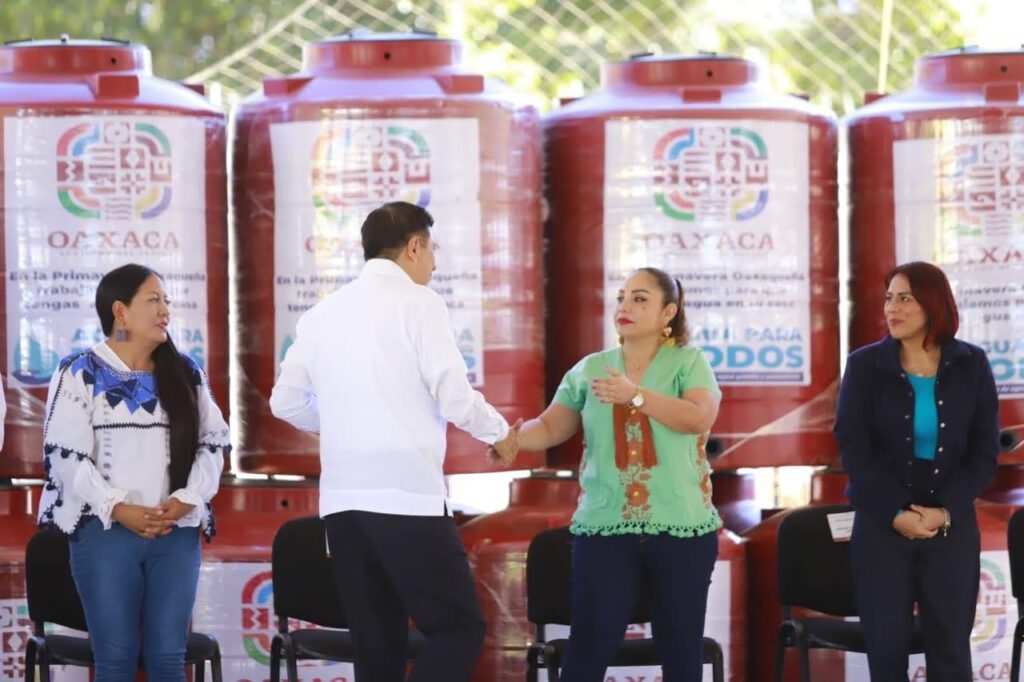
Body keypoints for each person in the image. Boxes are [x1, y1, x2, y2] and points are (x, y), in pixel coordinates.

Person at [269, 201, 519, 682]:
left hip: (342, 505)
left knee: (376, 645)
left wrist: (342, 422)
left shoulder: (322, 314)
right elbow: (453, 395)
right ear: (414, 246)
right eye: (432, 251)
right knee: (458, 628)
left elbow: (285, 402)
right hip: (406, 497)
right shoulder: (419, 303)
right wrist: (501, 433)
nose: (434, 264)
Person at [515, 267, 721, 682]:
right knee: (589, 646)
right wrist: (512, 438)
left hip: (682, 526)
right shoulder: (591, 367)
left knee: (681, 650)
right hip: (604, 526)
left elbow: (699, 417)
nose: (625, 306)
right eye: (622, 297)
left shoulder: (689, 362)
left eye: (640, 299)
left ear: (668, 313)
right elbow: (552, 426)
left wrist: (636, 396)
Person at [36, 263, 230, 682]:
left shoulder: (186, 373)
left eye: (166, 301)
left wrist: (187, 499)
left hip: (174, 532)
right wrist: (117, 507)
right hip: (104, 532)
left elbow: (213, 445)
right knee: (115, 659)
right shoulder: (79, 371)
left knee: (168, 658)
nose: (165, 310)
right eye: (153, 300)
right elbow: (64, 456)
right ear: (120, 312)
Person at [835, 260, 999, 680]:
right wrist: (895, 513)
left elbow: (983, 452)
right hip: (881, 521)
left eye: (905, 298)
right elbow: (854, 449)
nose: (892, 308)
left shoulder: (972, 364)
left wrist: (944, 511)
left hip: (950, 523)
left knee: (950, 652)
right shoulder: (864, 366)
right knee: (886, 653)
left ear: (932, 303)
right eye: (889, 298)